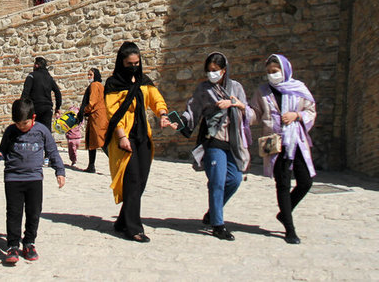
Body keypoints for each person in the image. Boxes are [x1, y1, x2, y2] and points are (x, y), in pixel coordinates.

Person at [178, 52, 252, 241]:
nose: (212, 74)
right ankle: (218, 224)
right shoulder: (204, 89)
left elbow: (248, 112)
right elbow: (192, 110)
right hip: (213, 139)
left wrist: (234, 104)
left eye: (215, 70)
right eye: (209, 70)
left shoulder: (236, 87)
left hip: (233, 141)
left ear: (224, 70)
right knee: (217, 181)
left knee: (234, 180)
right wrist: (180, 123)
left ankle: (212, 212)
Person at [105, 41, 172, 242]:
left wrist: (162, 113)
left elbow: (155, 99)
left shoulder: (144, 80)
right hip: (124, 137)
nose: (134, 66)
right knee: (132, 180)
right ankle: (134, 228)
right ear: (121, 62)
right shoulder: (113, 83)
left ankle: (122, 220)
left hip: (143, 135)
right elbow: (112, 112)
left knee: (141, 180)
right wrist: (122, 137)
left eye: (136, 62)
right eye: (129, 63)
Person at [0, 98, 65, 265]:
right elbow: (3, 154)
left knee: (33, 212)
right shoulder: (10, 131)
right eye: (18, 123)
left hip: (34, 179)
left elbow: (52, 151)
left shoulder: (42, 131)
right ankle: (13, 245)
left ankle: (29, 243)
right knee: (14, 213)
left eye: (25, 123)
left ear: (34, 117)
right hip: (13, 179)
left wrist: (60, 171)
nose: (21, 127)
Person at [249, 54, 316, 245]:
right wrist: (241, 110)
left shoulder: (298, 89)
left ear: (285, 70)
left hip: (296, 142)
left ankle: (284, 214)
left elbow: (311, 110)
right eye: (269, 72)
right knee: (283, 184)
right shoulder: (262, 91)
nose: (272, 75)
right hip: (274, 142)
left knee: (305, 182)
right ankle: (290, 228)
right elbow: (255, 112)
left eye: (275, 71)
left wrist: (296, 115)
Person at [76, 68, 107, 173]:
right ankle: (91, 165)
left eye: (90, 75)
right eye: (88, 75)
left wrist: (84, 111)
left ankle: (116, 163)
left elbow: (92, 101)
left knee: (100, 141)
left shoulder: (94, 85)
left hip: (96, 116)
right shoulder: (101, 86)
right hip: (98, 116)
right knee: (92, 141)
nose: (89, 77)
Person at [20, 57, 62, 134]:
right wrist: (57, 107)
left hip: (35, 108)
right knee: (46, 132)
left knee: (33, 131)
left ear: (36, 65)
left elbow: (25, 93)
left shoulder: (31, 76)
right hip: (47, 108)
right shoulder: (49, 78)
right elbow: (58, 92)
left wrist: (22, 107)